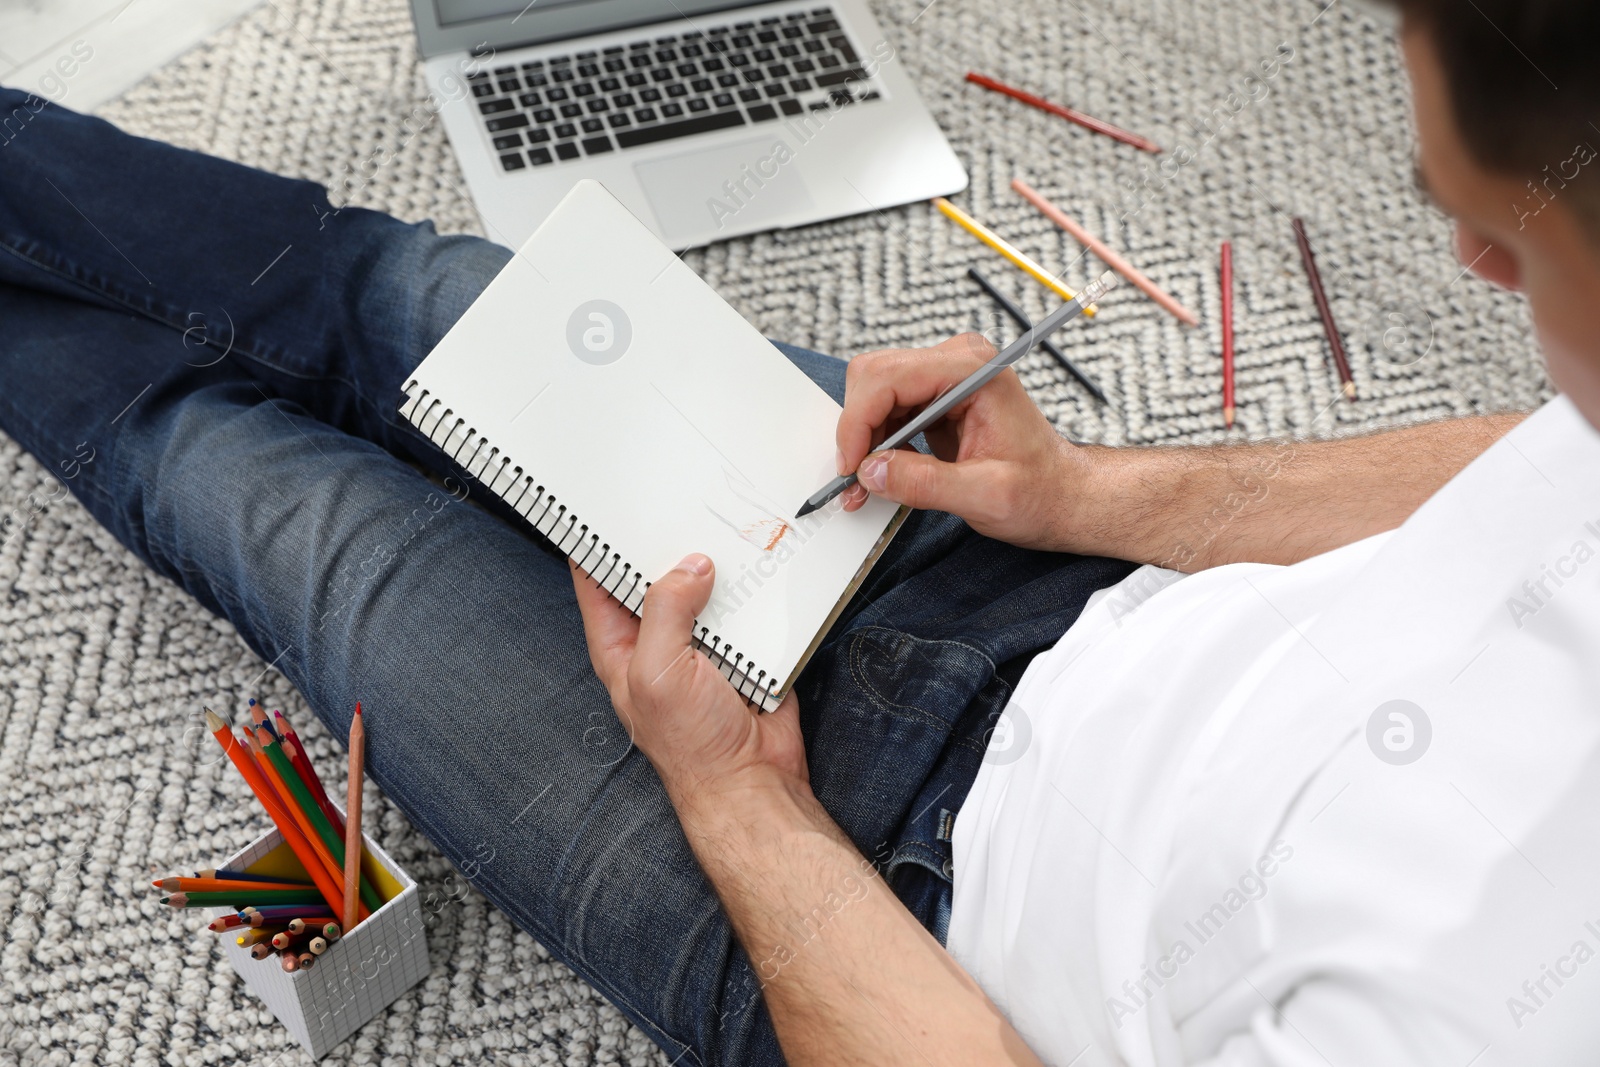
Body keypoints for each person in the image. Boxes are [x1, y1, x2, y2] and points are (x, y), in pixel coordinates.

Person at [1, 0, 1597, 1060]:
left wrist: (736, 802)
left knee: (227, 481)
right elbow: (1517, 471)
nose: (1465, 263)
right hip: (1059, 577)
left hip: (886, 915)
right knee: (374, 290)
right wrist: (1095, 495)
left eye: (1516, 229)